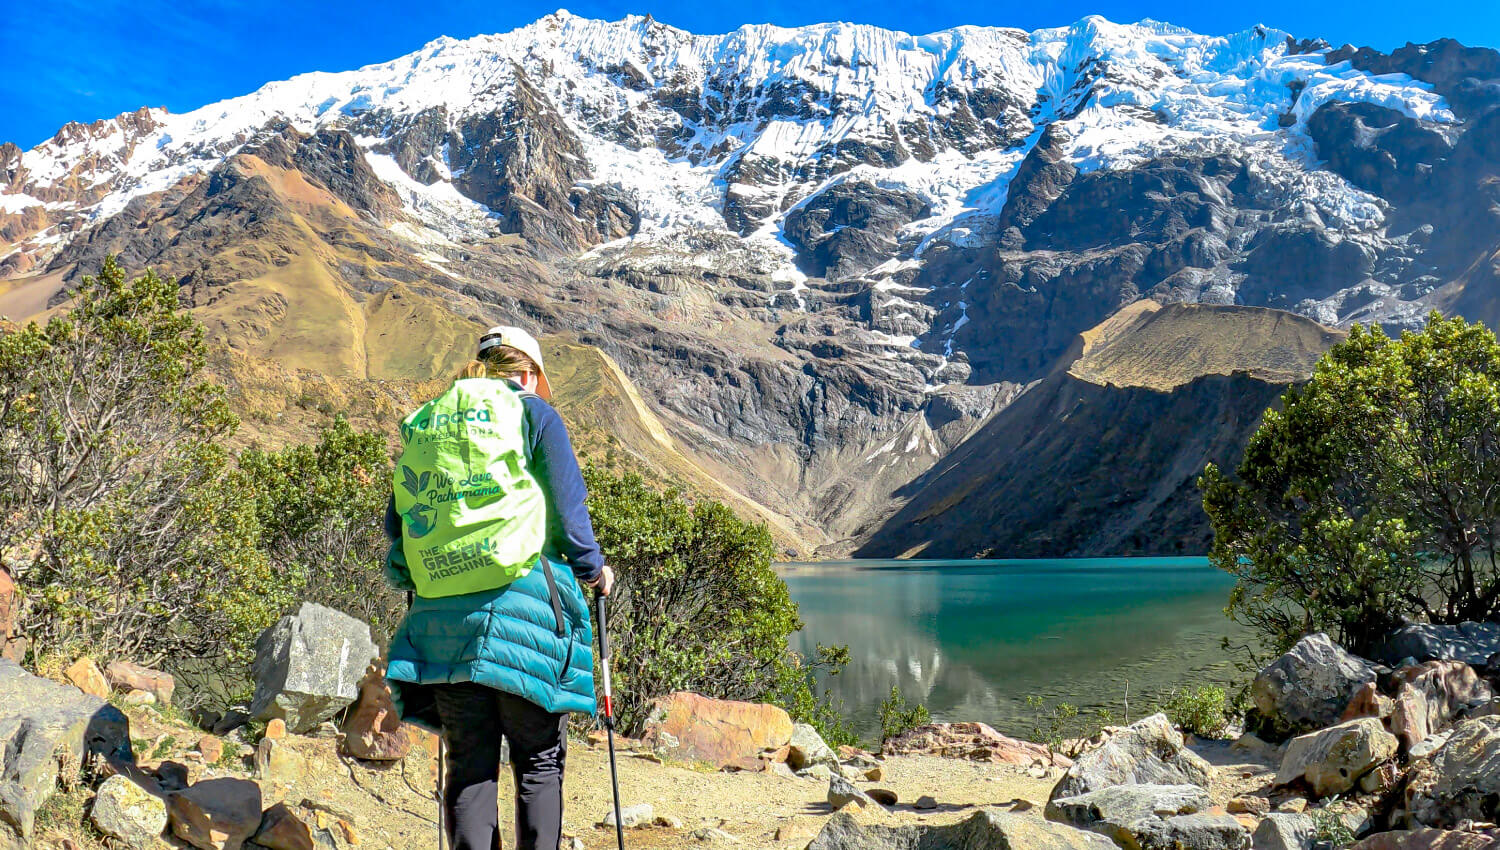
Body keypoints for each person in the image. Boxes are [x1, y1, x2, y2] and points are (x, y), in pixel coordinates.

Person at [383, 325, 615, 850]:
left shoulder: (431, 422)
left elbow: (402, 528)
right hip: (525, 616)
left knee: (469, 764)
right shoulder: (533, 412)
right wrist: (594, 570)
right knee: (537, 759)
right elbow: (567, 510)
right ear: (529, 374)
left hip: (442, 623)